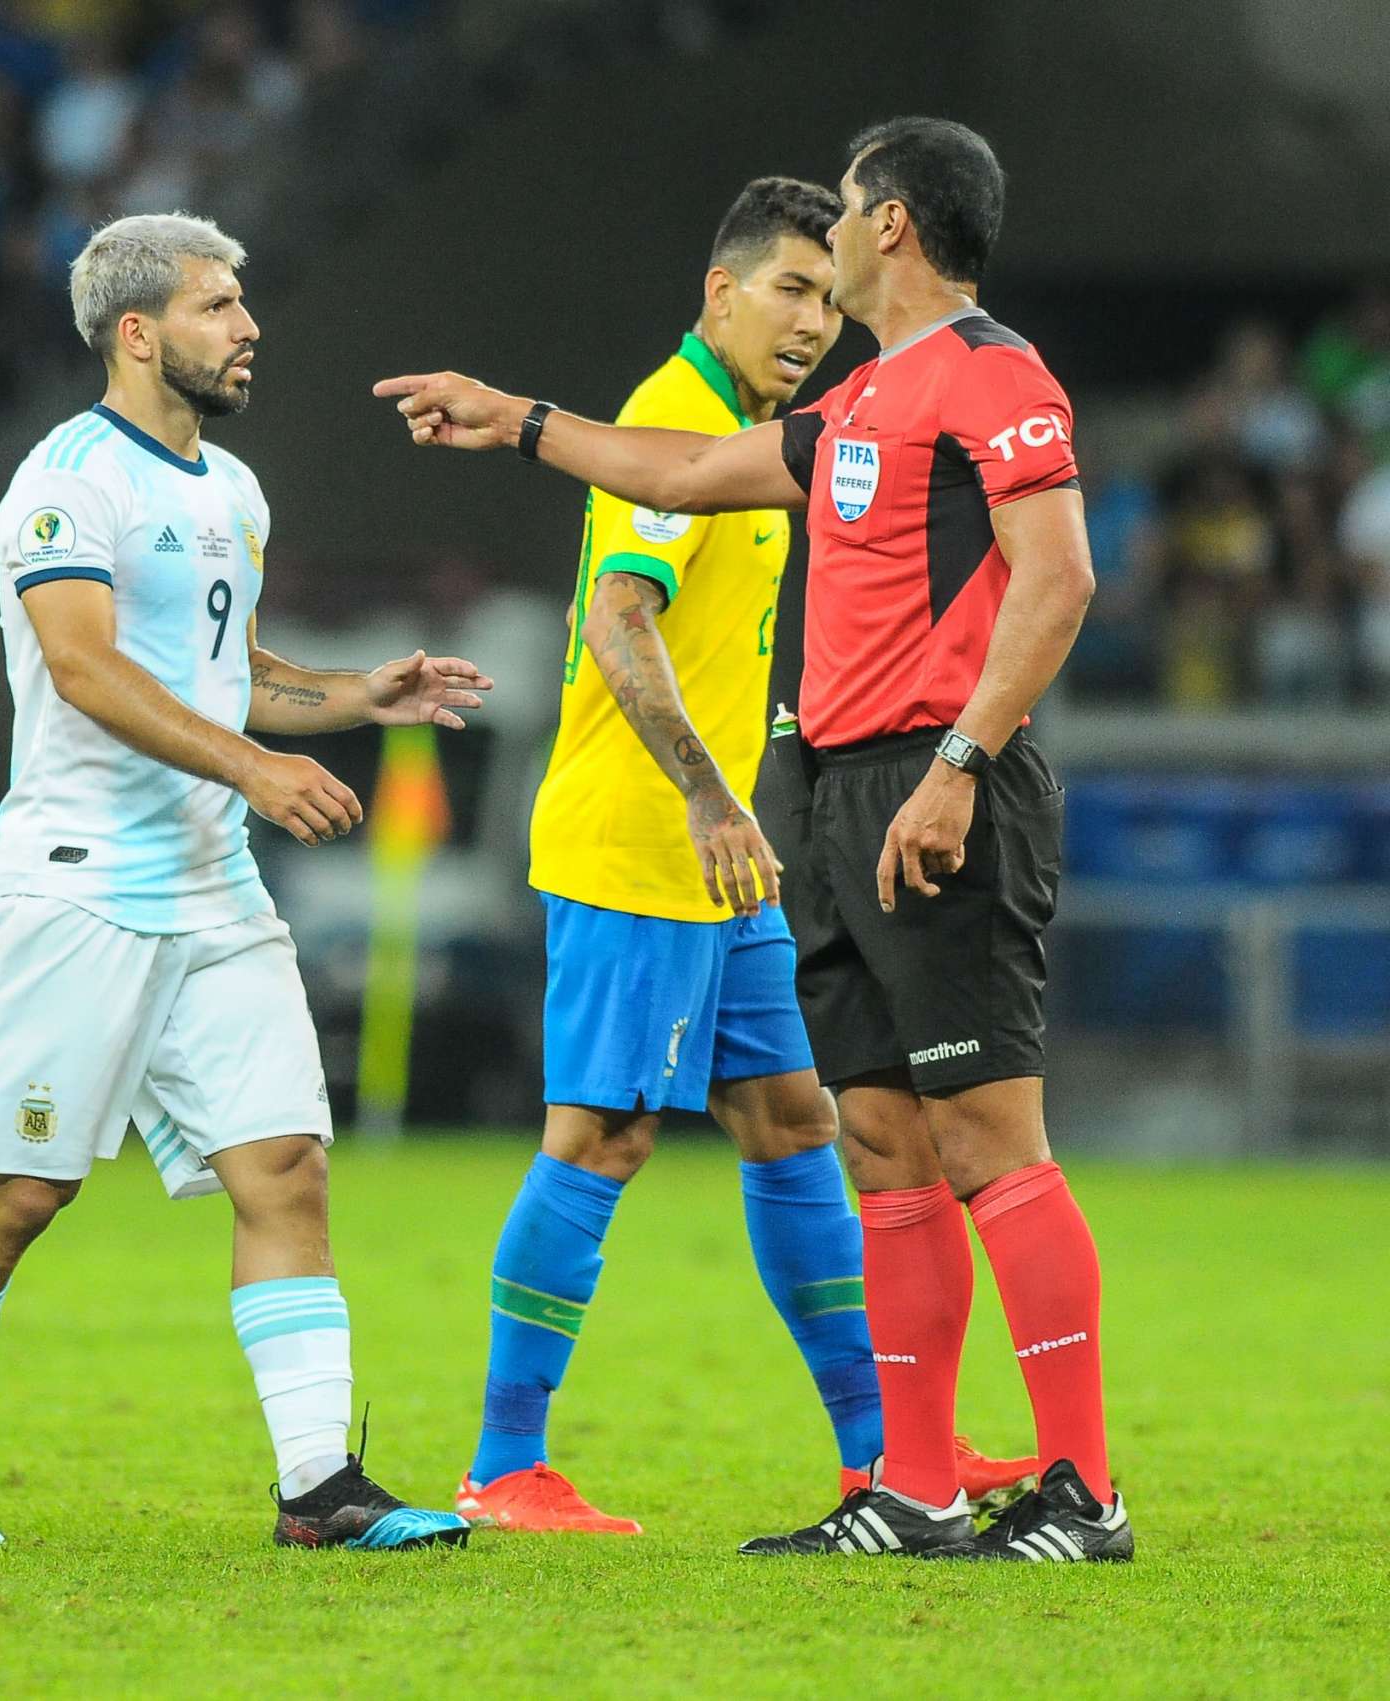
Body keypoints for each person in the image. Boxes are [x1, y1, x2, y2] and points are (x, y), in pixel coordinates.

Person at [377, 117, 1127, 1563]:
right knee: (870, 1137)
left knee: (958, 1135)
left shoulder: (991, 374)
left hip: (917, 788)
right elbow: (666, 486)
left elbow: (1063, 577)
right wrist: (515, 418)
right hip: (789, 815)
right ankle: (903, 1481)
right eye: (788, 273)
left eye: (841, 219)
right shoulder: (851, 408)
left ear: (892, 223)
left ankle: (1082, 1491)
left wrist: (960, 763)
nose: (826, 259)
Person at [0, 214, 491, 1551]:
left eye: (243, 303)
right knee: (17, 1195)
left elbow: (230, 671)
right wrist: (256, 767)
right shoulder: (66, 481)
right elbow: (85, 667)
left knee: (287, 1169)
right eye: (218, 306)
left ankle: (320, 1487)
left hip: (213, 890)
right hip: (78, 888)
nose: (249, 327)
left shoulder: (233, 489)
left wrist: (354, 693)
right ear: (137, 331)